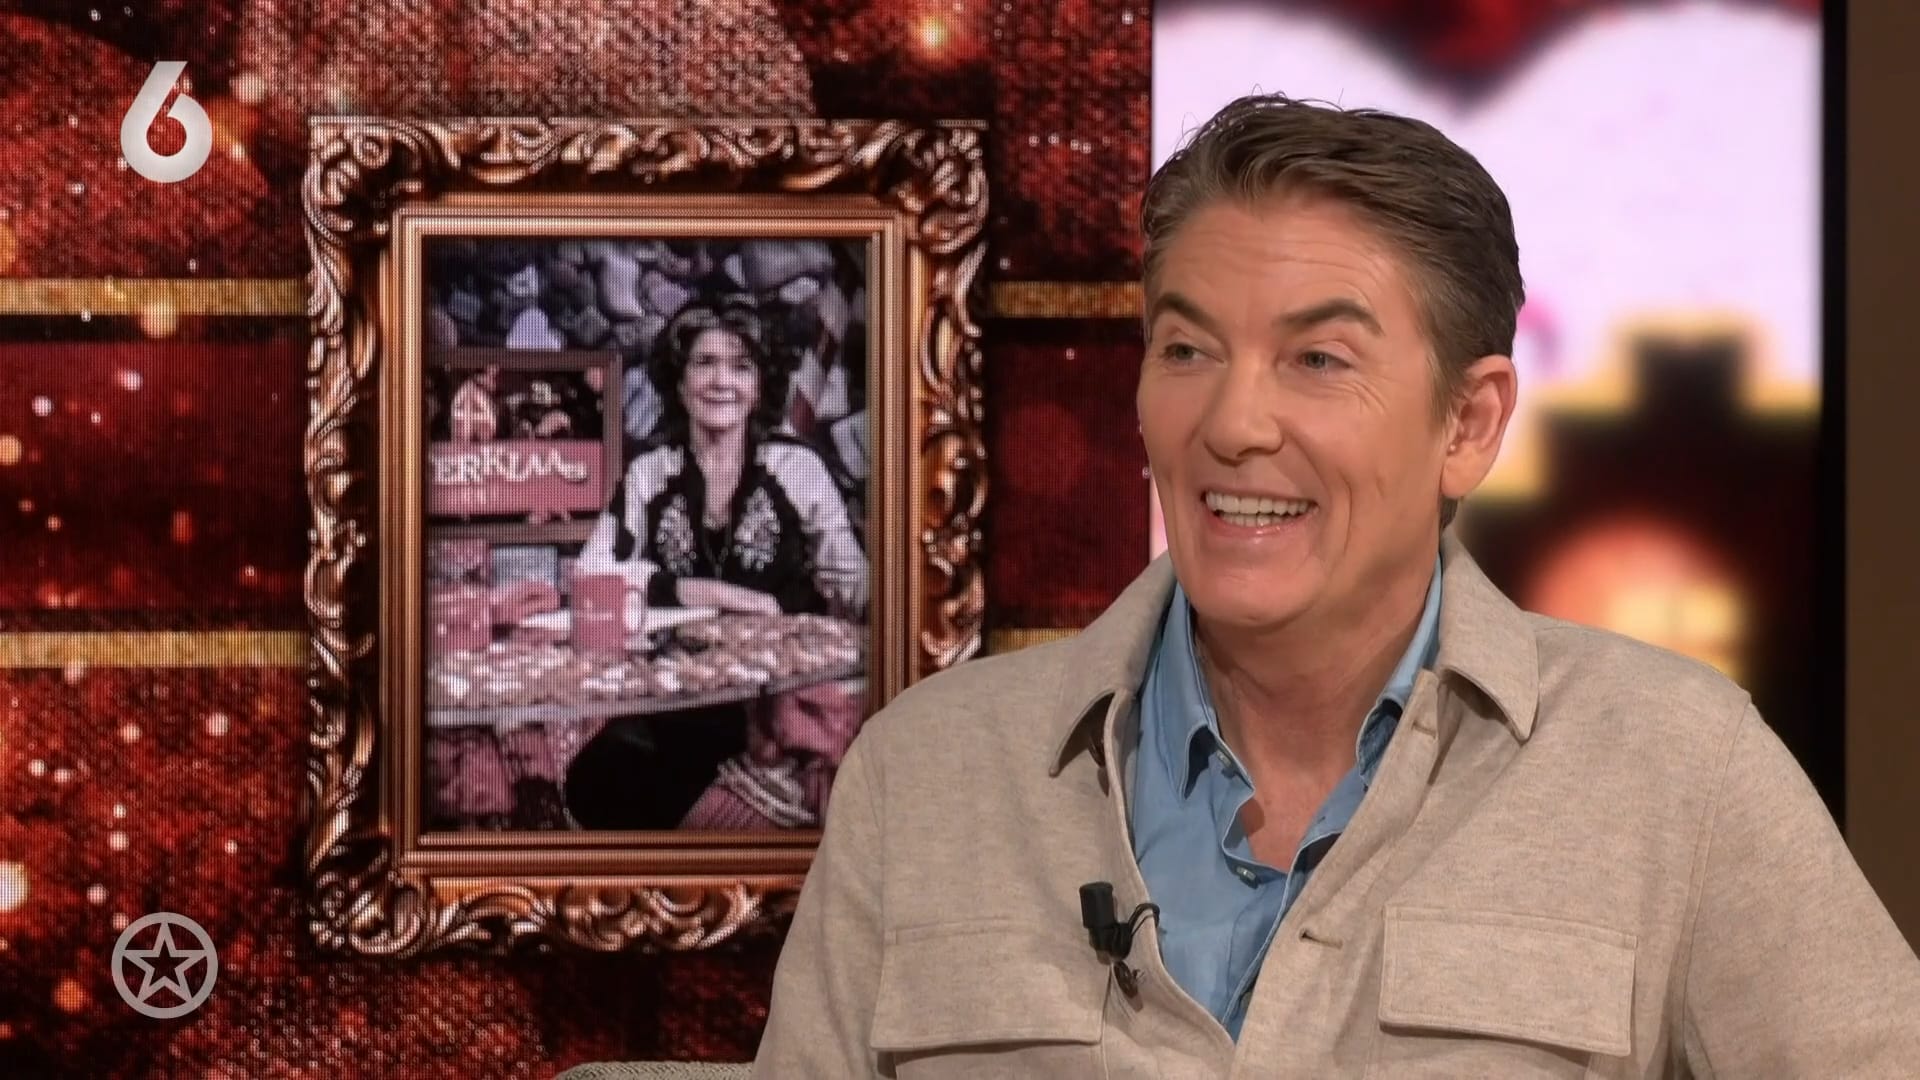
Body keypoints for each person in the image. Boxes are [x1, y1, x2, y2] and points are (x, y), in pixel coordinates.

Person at [755, 94, 1920, 1076]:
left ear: (1468, 424)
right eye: (1187, 349)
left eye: (1318, 359)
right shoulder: (924, 777)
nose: (1233, 423)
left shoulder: (1675, 764)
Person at [565, 301, 867, 831]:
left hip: (774, 699)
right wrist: (705, 592)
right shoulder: (650, 473)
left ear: (760, 384)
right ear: (679, 383)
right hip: (676, 696)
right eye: (703, 363)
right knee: (598, 779)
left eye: (740, 366)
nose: (720, 381)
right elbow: (593, 577)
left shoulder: (796, 468)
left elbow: (856, 583)